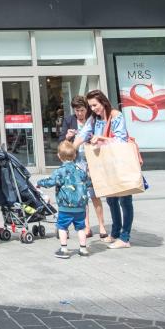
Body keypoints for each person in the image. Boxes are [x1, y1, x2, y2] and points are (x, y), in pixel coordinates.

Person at [74, 90, 133, 249]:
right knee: (111, 198)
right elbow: (84, 134)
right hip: (105, 164)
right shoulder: (94, 119)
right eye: (90, 106)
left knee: (124, 199)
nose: (93, 109)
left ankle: (125, 237)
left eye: (95, 105)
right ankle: (115, 233)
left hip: (119, 162)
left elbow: (121, 139)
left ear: (103, 102)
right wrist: (71, 149)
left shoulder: (116, 116)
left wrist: (101, 138)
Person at [61, 96, 108, 239]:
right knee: (82, 195)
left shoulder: (92, 119)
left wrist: (93, 137)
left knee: (94, 194)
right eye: (77, 111)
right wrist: (68, 137)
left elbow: (101, 135)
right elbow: (61, 141)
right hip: (78, 161)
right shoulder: (69, 120)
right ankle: (86, 226)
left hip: (92, 159)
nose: (79, 114)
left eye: (82, 110)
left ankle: (101, 225)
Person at [38, 140, 91, 259]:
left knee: (62, 227)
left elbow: (50, 182)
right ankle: (83, 249)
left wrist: (39, 183)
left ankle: (64, 249)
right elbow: (88, 183)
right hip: (80, 206)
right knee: (81, 228)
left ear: (59, 156)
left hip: (65, 207)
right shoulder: (80, 171)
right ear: (75, 155)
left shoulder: (59, 171)